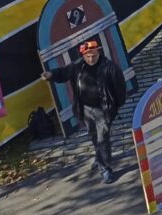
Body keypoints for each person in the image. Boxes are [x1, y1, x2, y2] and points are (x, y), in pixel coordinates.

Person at [41, 39, 126, 184]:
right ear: (83, 56)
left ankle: (105, 169)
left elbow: (120, 88)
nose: (91, 59)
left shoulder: (110, 68)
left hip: (103, 109)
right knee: (93, 135)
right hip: (85, 108)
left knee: (102, 137)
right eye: (88, 57)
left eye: (93, 55)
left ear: (98, 52)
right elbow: (64, 73)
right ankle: (100, 158)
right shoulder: (78, 66)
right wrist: (51, 75)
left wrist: (116, 106)